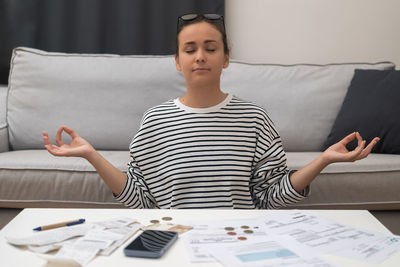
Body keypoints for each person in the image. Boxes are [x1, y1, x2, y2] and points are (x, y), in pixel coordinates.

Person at [43, 14, 379, 209]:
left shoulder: (255, 119)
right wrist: (92, 155)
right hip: (172, 239)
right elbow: (140, 199)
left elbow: (269, 200)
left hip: (237, 240)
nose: (200, 56)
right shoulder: (155, 120)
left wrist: (322, 160)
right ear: (178, 61)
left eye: (210, 48)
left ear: (226, 58)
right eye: (189, 49)